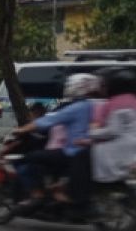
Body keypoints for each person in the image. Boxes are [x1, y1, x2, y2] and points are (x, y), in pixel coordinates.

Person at [13, 73, 101, 211]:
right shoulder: (90, 106)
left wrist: (22, 129)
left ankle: (37, 195)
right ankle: (53, 188)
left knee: (31, 157)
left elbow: (47, 121)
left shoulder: (75, 108)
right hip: (83, 151)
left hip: (71, 152)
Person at [89, 67, 136, 183]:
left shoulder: (117, 102)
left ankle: (105, 181)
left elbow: (113, 131)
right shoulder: (135, 100)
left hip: (126, 146)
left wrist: (89, 134)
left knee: (98, 150)